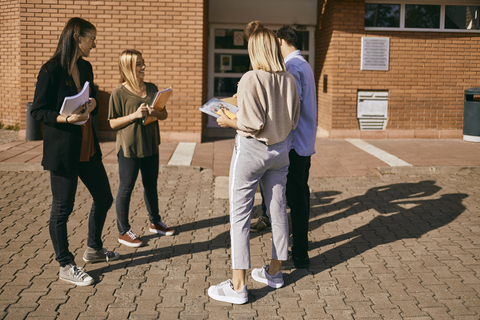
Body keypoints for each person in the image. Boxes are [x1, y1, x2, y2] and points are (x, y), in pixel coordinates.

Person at [207, 28, 300, 304]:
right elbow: (292, 119)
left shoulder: (250, 77)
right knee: (278, 209)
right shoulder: (289, 79)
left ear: (255, 49)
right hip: (280, 152)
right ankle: (275, 272)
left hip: (251, 151)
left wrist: (226, 121)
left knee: (239, 216)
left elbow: (251, 123)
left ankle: (238, 286)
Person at [31, 17, 119, 286]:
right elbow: (38, 111)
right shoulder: (50, 71)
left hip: (88, 147)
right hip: (63, 151)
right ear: (76, 37)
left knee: (104, 198)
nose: (95, 43)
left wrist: (91, 103)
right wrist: (63, 118)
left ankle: (93, 248)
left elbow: (88, 99)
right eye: (92, 38)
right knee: (62, 209)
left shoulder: (86, 66)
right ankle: (65, 265)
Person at [251, 25, 317, 269]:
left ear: (279, 41)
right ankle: (300, 249)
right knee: (300, 198)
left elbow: (289, 107)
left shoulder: (292, 66)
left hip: (295, 145)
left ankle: (299, 254)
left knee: (294, 202)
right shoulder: (304, 64)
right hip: (304, 143)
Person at [108, 49, 174, 248]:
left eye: (143, 63)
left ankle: (155, 222)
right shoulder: (118, 93)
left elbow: (164, 115)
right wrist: (134, 115)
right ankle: (123, 231)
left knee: (151, 185)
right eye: (139, 64)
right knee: (126, 189)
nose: (144, 67)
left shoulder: (152, 88)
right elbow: (112, 123)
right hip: (129, 148)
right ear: (128, 67)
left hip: (150, 145)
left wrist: (156, 112)